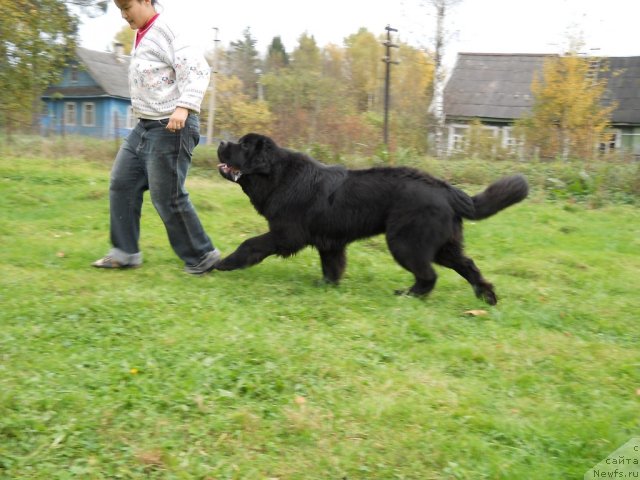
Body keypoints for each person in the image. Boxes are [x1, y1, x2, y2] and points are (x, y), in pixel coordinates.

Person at [93, 0, 220, 274]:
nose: (124, 14)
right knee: (122, 182)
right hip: (145, 126)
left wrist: (183, 108)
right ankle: (124, 253)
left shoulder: (167, 30)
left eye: (127, 7)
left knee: (168, 196)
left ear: (146, 1)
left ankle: (202, 256)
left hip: (172, 126)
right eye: (119, 9)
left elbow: (198, 69)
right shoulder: (143, 34)